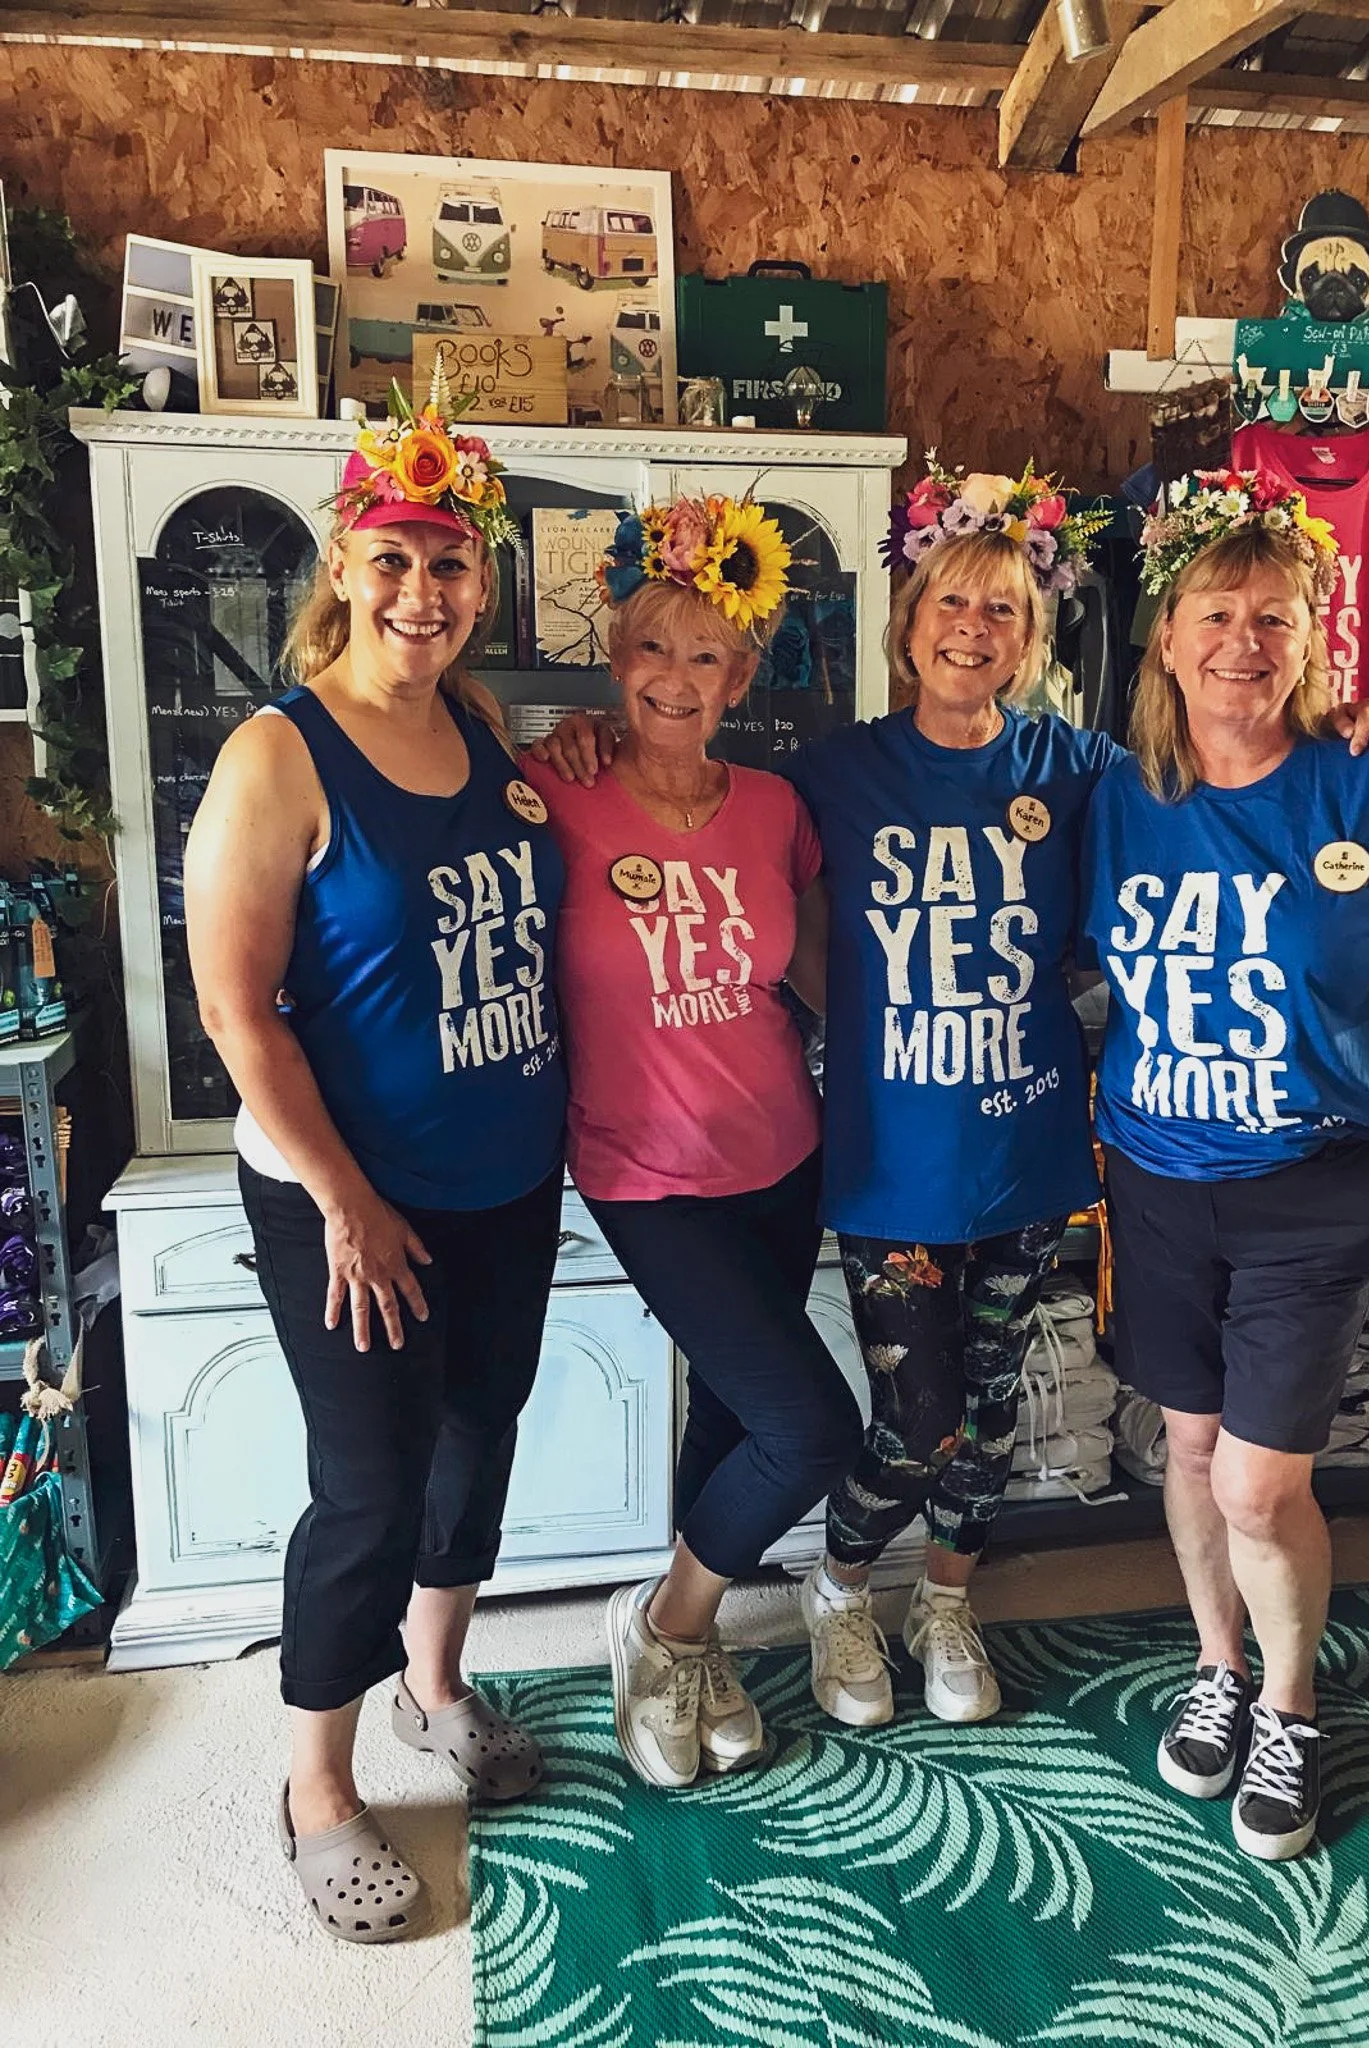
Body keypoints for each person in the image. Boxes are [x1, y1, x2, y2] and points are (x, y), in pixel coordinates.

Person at [537, 458, 1369, 1735]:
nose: (972, 626)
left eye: (1002, 606)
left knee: (995, 1406)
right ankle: (842, 1588)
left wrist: (1349, 724)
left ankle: (946, 1600)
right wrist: (591, 737)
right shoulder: (829, 774)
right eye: (950, 599)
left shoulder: (1085, 765)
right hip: (888, 1154)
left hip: (1030, 1146)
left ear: (1032, 634)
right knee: (917, 1412)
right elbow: (736, 849)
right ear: (909, 622)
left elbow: (1225, 769)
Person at [1080, 469, 1369, 1861]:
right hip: (1157, 1179)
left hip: (1321, 1187)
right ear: (1165, 635)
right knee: (1192, 1446)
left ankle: (1291, 1703)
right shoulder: (1114, 792)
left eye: (1273, 616)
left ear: (1314, 634)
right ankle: (1218, 1665)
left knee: (1262, 1484)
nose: (1242, 643)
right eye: (1215, 613)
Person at [185, 393, 565, 1941]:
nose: (423, 590)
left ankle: (435, 1685)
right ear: (342, 566)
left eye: (450, 562)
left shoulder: (479, 727)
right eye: (394, 558)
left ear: (482, 582)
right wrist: (344, 1199)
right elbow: (235, 1009)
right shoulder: (278, 756)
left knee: (478, 1434)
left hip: (504, 1178)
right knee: (367, 1489)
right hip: (350, 1196)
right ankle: (317, 1786)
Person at [518, 494, 863, 1791]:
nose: (676, 675)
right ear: (616, 661)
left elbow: (817, 975)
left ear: (741, 677)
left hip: (782, 1150)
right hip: (645, 1172)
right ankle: (660, 1628)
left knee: (732, 1408)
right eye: (653, 647)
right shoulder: (555, 789)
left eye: (706, 653)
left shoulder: (775, 808)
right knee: (810, 1426)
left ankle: (697, 1642)